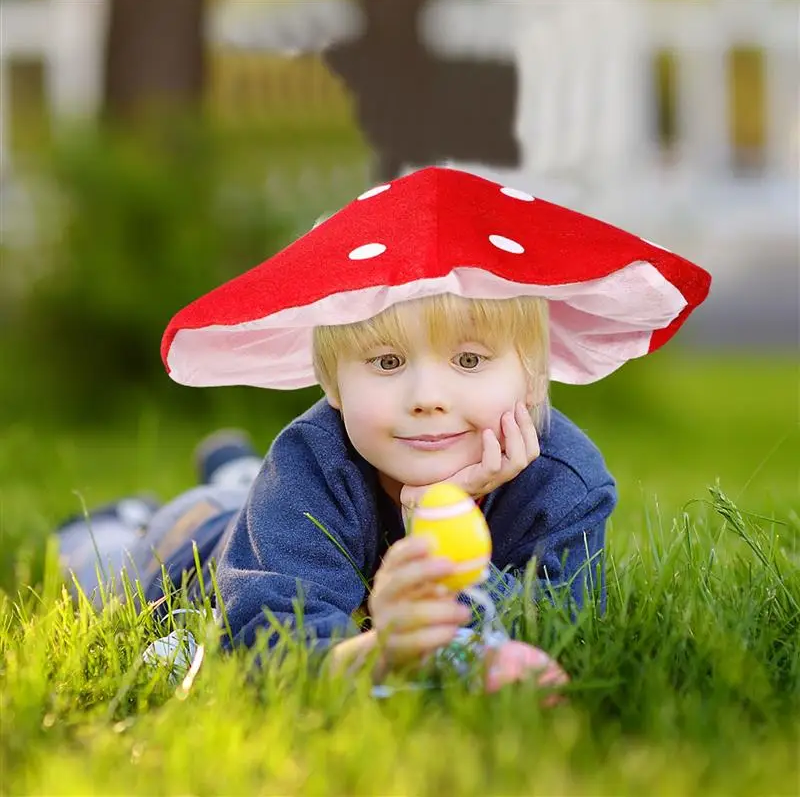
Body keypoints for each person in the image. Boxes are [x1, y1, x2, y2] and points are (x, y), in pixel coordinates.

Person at [57, 165, 711, 694]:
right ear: (334, 385)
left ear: (534, 377)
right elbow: (262, 652)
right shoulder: (311, 461)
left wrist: (440, 525)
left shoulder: (565, 480)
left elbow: (565, 624)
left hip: (272, 507)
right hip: (202, 547)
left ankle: (233, 467)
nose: (427, 397)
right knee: (119, 563)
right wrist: (383, 651)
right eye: (388, 362)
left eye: (469, 360)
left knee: (247, 490)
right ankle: (161, 508)